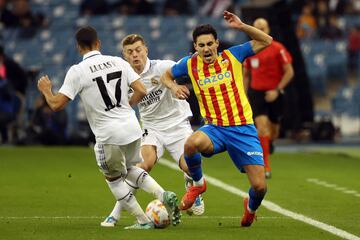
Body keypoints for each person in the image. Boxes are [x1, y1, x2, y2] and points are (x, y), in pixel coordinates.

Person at [37, 26, 180, 229]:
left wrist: (46, 91)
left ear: (79, 48)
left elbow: (56, 105)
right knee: (130, 169)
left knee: (113, 179)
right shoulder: (118, 61)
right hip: (131, 127)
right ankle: (162, 194)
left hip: (108, 134)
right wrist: (125, 107)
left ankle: (142, 220)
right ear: (98, 44)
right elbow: (142, 89)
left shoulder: (78, 71)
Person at [160, 11, 272, 227]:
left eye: (210, 44)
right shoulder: (189, 64)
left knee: (260, 187)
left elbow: (266, 40)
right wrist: (174, 86)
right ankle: (199, 184)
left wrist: (241, 26)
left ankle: (250, 208)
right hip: (215, 129)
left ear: (217, 43)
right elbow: (166, 76)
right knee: (191, 144)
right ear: (195, 47)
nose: (206, 49)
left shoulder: (233, 56)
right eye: (201, 45)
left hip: (243, 129)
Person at [101, 34, 205, 227]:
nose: (135, 55)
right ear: (124, 55)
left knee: (189, 166)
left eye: (138, 50)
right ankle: (115, 214)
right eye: (130, 52)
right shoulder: (125, 80)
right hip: (151, 128)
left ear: (146, 50)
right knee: (141, 167)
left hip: (177, 126)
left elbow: (187, 66)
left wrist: (176, 85)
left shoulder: (162, 67)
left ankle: (192, 184)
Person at [243, 18, 294, 179]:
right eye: (257, 28)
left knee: (274, 130)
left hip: (275, 93)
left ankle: (269, 143)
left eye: (263, 28)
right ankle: (265, 165)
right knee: (262, 127)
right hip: (257, 93)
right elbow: (246, 75)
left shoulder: (278, 48)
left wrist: (277, 90)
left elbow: (289, 72)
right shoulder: (250, 50)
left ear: (268, 29)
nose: (260, 31)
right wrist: (244, 95)